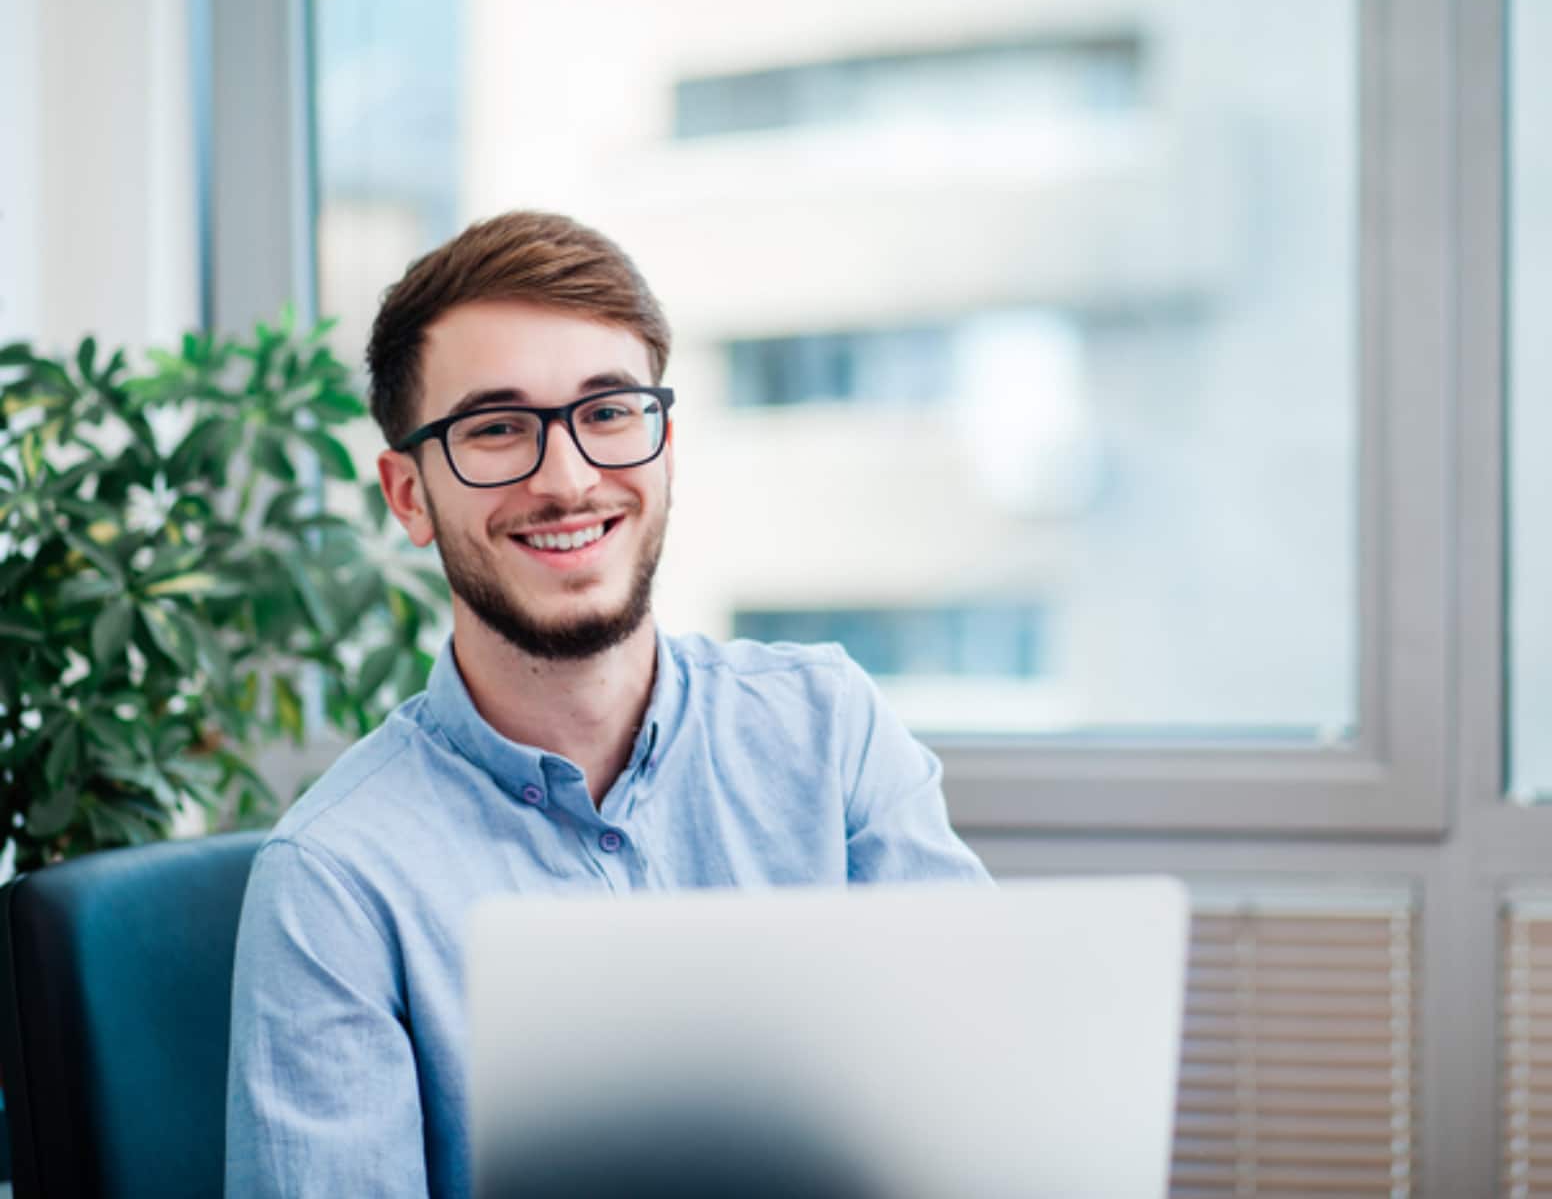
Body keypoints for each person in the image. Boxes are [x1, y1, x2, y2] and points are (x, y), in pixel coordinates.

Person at [224, 210, 990, 1197]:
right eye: (496, 428)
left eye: (610, 410)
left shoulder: (829, 731)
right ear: (408, 495)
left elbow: (979, 1118)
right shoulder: (334, 879)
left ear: (664, 442)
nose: (570, 477)